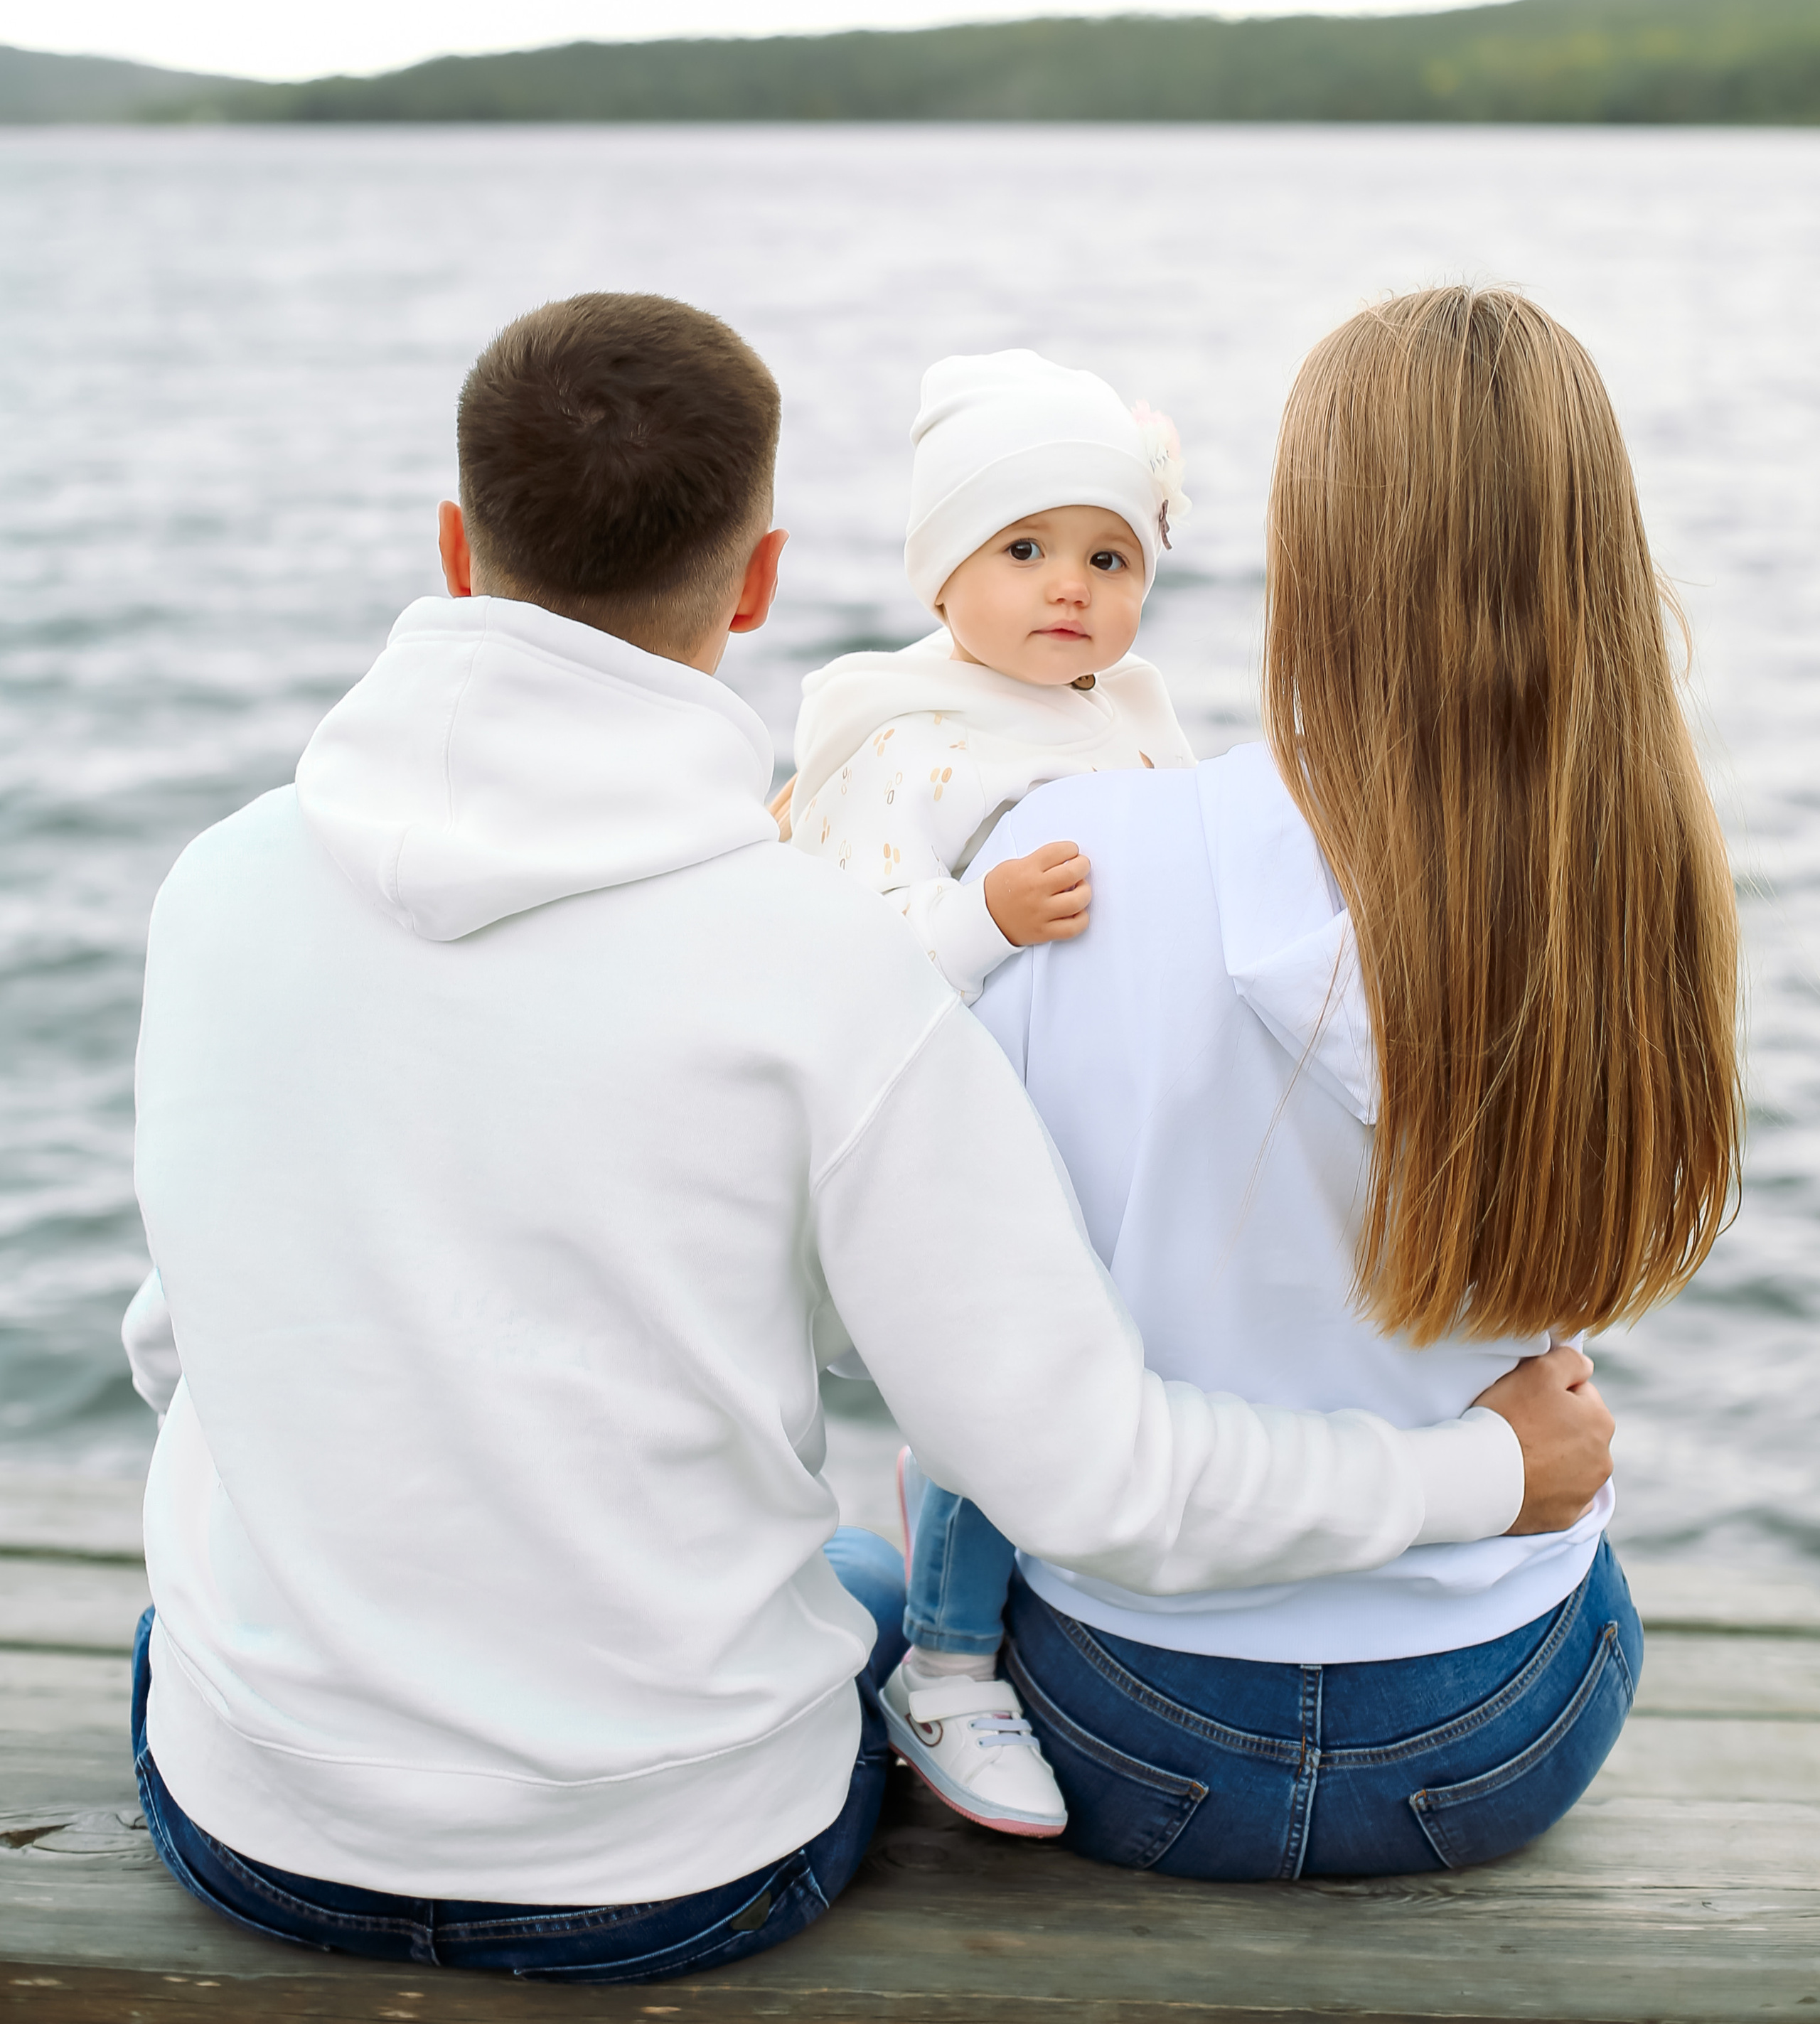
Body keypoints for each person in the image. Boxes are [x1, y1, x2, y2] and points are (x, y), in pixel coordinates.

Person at [123, 292, 1612, 1982]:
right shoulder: (826, 962)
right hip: (677, 1871)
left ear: (456, 547)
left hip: (254, 1825)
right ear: (758, 580)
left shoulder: (220, 888)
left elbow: (179, 1354)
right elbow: (1077, 1472)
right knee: (859, 1576)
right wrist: (1481, 1469)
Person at [963, 287, 1743, 1880]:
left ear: (1313, 550)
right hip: (1500, 1729)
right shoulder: (1637, 877)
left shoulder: (1074, 857)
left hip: (1117, 1722)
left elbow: (938, 1337)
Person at [785, 349, 1195, 1837]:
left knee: (1116, 1369)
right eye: (1021, 550)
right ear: (940, 572)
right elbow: (835, 954)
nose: (1068, 588)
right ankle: (948, 1662)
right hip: (962, 1146)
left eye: (1106, 556)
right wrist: (985, 915)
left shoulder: (1134, 715)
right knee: (993, 1391)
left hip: (1111, 1128)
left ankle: (1071, 1609)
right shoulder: (900, 738)